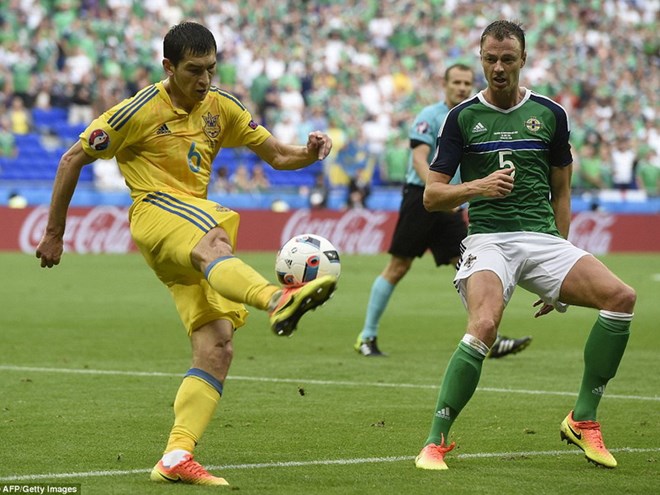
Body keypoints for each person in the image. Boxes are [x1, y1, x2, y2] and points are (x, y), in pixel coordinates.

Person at [35, 22, 337, 487]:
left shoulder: (222, 106)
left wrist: (310, 152)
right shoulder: (136, 111)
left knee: (217, 345)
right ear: (168, 67)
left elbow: (277, 155)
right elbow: (71, 158)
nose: (204, 79)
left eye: (211, 69)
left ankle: (176, 455)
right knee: (213, 237)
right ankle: (278, 300)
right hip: (156, 213)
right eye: (194, 70)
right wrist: (55, 233)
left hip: (188, 232)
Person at [416, 20, 636, 471]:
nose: (498, 68)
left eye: (507, 59)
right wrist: (478, 186)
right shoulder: (462, 118)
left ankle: (583, 420)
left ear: (523, 60)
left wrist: (559, 266)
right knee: (484, 324)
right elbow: (432, 195)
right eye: (491, 59)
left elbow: (562, 190)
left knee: (620, 298)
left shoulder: (550, 113)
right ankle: (435, 441)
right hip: (488, 240)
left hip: (543, 239)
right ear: (481, 59)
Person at [354, 63, 531, 359]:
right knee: (399, 267)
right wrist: (437, 192)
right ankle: (366, 337)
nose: (462, 87)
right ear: (445, 84)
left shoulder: (472, 116)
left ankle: (489, 336)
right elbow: (420, 159)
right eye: (456, 82)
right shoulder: (430, 116)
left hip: (450, 201)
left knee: (469, 266)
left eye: (466, 82)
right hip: (422, 199)